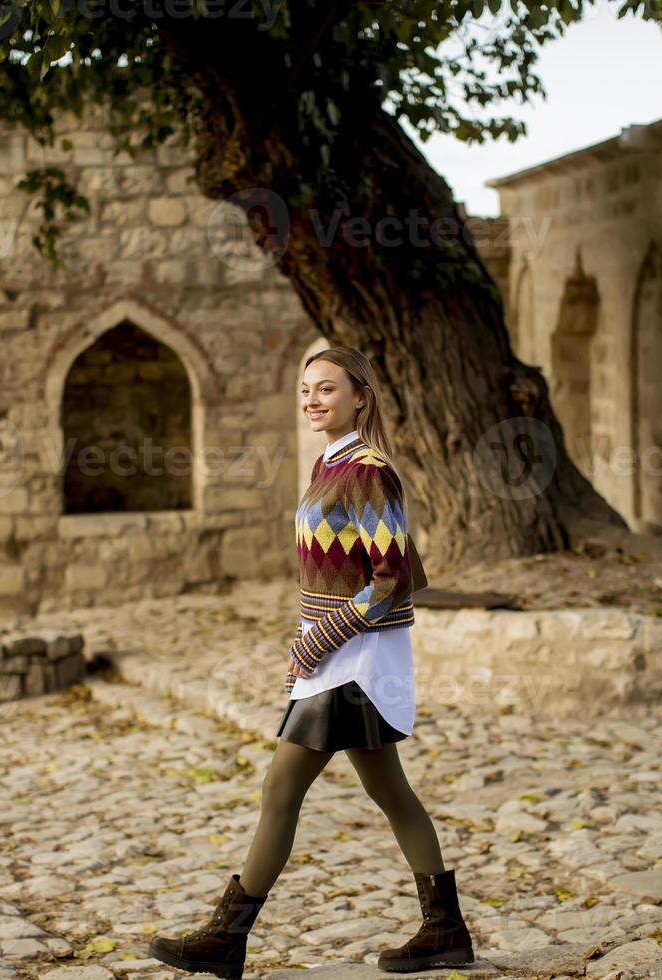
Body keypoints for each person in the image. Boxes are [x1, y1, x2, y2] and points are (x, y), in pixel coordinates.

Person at [148, 347, 474, 978]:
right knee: (389, 790)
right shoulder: (329, 464)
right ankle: (445, 930)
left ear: (361, 397)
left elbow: (394, 576)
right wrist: (307, 646)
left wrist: (321, 639)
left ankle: (227, 939)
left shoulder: (368, 470)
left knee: (281, 788)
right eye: (305, 390)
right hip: (332, 659)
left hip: (358, 663)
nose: (312, 400)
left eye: (327, 389)